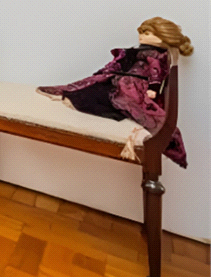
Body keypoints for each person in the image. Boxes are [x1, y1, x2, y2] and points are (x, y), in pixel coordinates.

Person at [37, 17, 192, 167]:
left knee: (110, 96)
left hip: (132, 86)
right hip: (121, 80)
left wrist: (153, 89)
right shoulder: (142, 51)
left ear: (162, 36)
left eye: (146, 33)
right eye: (141, 32)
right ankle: (73, 96)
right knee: (95, 86)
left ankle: (81, 101)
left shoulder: (156, 55)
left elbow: (156, 73)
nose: (141, 36)